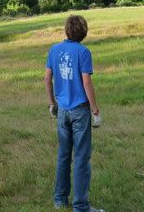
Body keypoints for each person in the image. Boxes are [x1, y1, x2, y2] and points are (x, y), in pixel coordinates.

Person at [45, 15, 103, 212]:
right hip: (80, 111)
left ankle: (60, 200)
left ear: (66, 30)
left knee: (63, 156)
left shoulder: (54, 50)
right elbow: (86, 82)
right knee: (81, 158)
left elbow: (47, 79)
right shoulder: (84, 52)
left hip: (62, 111)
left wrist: (51, 102)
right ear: (83, 32)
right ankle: (80, 206)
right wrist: (95, 109)